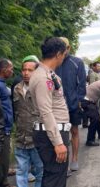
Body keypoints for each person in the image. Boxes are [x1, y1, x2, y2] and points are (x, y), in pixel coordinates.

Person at [30, 37, 70, 187]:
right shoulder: (42, 78)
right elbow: (45, 111)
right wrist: (58, 142)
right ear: (59, 54)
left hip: (53, 132)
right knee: (55, 178)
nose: (64, 58)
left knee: (55, 176)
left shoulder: (48, 74)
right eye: (64, 54)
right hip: (51, 135)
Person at [55, 37, 86, 172]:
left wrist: (77, 101)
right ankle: (63, 162)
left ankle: (74, 158)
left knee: (74, 131)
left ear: (69, 48)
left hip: (73, 105)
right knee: (60, 133)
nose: (63, 50)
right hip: (56, 106)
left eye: (65, 47)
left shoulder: (77, 62)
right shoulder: (53, 62)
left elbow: (82, 85)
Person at [13, 56, 43, 187]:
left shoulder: (41, 88)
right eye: (24, 70)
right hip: (21, 138)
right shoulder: (17, 89)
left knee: (40, 171)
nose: (26, 73)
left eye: (30, 70)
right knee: (21, 171)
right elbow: (16, 112)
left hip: (37, 137)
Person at [0, 58, 14, 187]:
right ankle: (3, 183)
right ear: (4, 70)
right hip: (1, 129)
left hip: (6, 127)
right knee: (2, 157)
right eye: (11, 68)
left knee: (5, 156)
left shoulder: (2, 84)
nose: (12, 71)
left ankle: (4, 177)